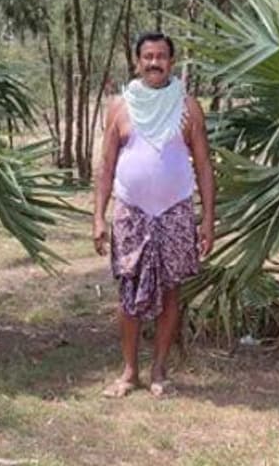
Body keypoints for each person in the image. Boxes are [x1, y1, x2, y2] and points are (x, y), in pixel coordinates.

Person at [92, 31, 215, 398]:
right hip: (131, 212)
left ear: (171, 63)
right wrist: (98, 217)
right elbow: (106, 166)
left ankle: (159, 368)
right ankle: (129, 371)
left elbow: (204, 166)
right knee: (127, 289)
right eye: (147, 56)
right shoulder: (120, 107)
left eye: (161, 56)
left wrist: (208, 220)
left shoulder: (188, 107)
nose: (154, 63)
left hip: (176, 211)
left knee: (172, 289)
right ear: (137, 62)